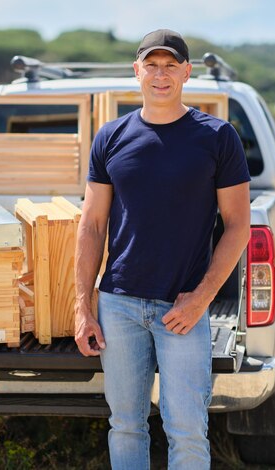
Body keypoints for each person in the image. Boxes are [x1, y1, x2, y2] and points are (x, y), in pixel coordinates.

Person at [74, 29, 251, 469]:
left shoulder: (216, 136)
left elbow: (238, 226)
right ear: (136, 71)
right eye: (151, 65)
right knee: (126, 426)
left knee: (187, 430)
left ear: (187, 72)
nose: (161, 74)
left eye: (171, 65)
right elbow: (92, 225)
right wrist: (83, 306)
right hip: (119, 305)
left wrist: (202, 298)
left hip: (183, 308)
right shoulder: (110, 137)